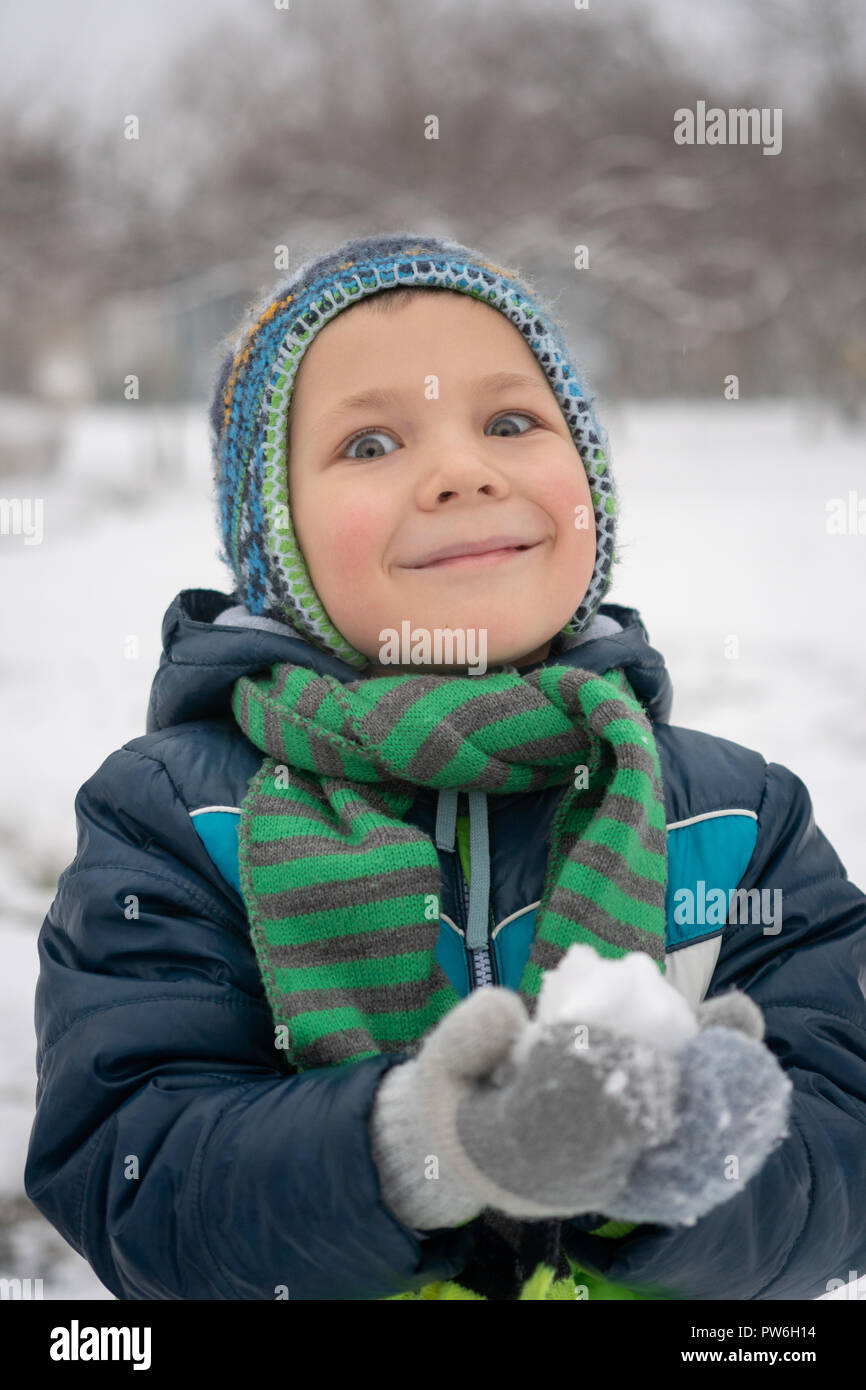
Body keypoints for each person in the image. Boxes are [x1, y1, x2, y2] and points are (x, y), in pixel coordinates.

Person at [25, 233, 866, 1301]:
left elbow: (842, 1147)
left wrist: (679, 1173)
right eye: (370, 443)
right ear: (272, 543)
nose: (462, 471)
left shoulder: (738, 819)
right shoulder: (177, 816)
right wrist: (430, 1144)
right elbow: (132, 1171)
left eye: (510, 422)